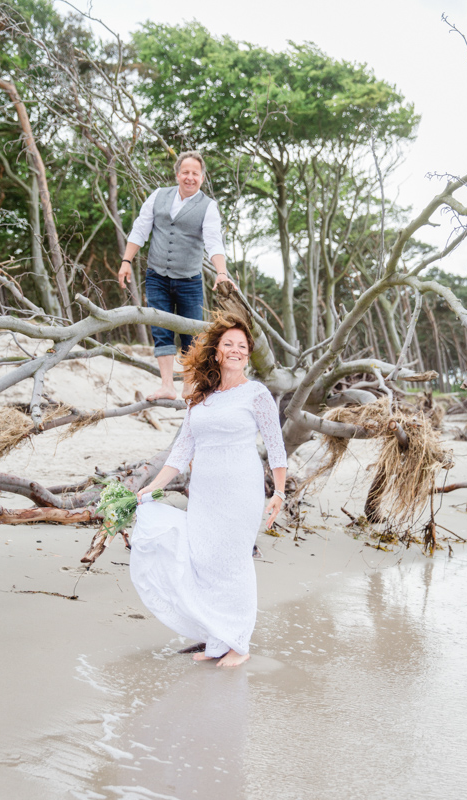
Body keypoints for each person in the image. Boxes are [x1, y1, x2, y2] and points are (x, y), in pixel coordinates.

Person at [130, 312, 288, 667]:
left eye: (242, 346)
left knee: (233, 562)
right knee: (206, 561)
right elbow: (181, 451)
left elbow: (276, 448)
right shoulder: (200, 397)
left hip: (241, 490)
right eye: (228, 344)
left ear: (248, 355)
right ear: (216, 351)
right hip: (205, 493)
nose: (235, 350)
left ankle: (240, 644)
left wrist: (279, 493)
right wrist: (152, 489)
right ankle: (218, 640)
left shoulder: (257, 393)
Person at [118, 151, 234, 402]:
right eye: (185, 172)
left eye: (195, 173)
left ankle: (188, 387)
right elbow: (140, 229)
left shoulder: (208, 207)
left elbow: (214, 242)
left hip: (189, 280)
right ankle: (167, 386)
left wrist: (221, 273)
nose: (189, 177)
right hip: (157, 275)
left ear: (202, 177)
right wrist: (126, 261)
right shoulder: (158, 196)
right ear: (177, 174)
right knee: (160, 330)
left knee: (191, 335)